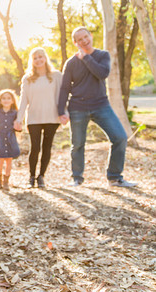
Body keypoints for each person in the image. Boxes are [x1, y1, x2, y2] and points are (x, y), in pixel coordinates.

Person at [58, 27, 137, 187]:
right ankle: (77, 179)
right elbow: (65, 87)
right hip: (77, 107)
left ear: (90, 36)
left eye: (85, 37)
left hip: (101, 105)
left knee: (120, 137)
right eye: (79, 39)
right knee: (78, 144)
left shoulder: (102, 55)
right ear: (75, 42)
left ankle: (114, 177)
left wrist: (86, 57)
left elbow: (102, 73)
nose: (84, 41)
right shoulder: (71, 63)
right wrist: (61, 111)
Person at [14, 47, 62, 188]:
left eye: (41, 57)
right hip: (34, 118)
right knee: (35, 148)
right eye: (35, 58)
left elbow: (62, 96)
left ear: (45, 58)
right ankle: (31, 176)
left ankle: (41, 176)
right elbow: (23, 100)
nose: (38, 60)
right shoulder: (27, 79)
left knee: (47, 147)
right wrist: (19, 119)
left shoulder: (56, 76)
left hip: (52, 117)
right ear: (32, 61)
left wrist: (64, 113)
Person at [0, 89, 20, 190]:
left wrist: (19, 128)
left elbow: (18, 127)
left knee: (9, 161)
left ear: (12, 100)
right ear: (0, 101)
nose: (6, 100)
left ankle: (6, 181)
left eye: (8, 98)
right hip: (0, 139)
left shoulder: (15, 113)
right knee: (0, 160)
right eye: (3, 98)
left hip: (11, 139)